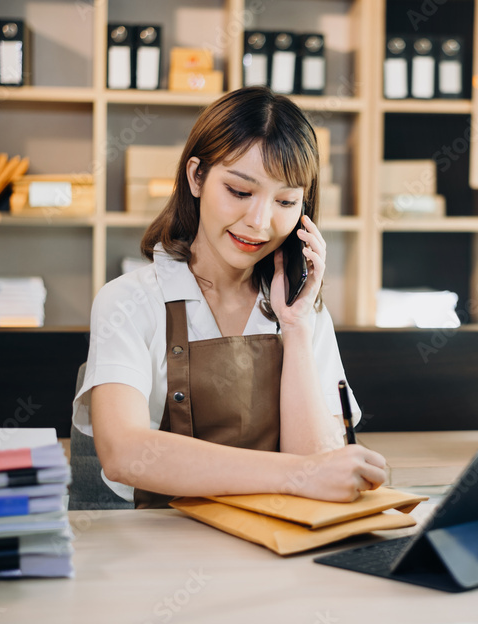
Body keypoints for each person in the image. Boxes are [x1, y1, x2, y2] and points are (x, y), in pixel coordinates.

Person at [71, 86, 386, 508]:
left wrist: (295, 328)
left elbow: (320, 466)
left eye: (286, 200)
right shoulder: (128, 300)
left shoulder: (301, 312)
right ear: (196, 176)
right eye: (240, 192)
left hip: (277, 544)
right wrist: (297, 475)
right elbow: (124, 453)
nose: (259, 222)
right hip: (160, 547)